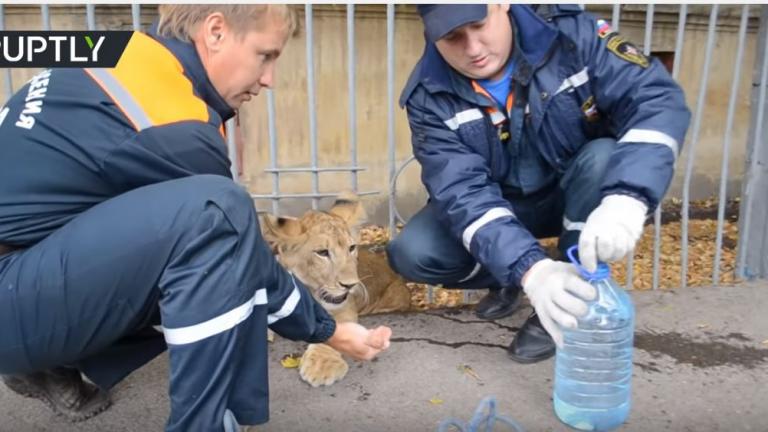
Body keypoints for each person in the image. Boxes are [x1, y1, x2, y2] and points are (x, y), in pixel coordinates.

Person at [0, 5, 391, 431]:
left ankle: (49, 360)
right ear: (216, 31)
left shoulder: (121, 50)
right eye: (265, 55)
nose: (269, 79)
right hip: (13, 288)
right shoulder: (172, 120)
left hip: (25, 267)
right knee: (218, 218)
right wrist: (326, 329)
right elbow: (239, 247)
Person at [388, 4, 690, 363]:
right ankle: (521, 275)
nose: (473, 48)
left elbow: (656, 100)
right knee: (414, 252)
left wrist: (628, 197)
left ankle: (573, 294)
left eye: (478, 24)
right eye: (452, 36)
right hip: (501, 206)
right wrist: (532, 271)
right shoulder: (428, 93)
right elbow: (461, 191)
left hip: (576, 192)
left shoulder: (573, 37)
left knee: (603, 157)